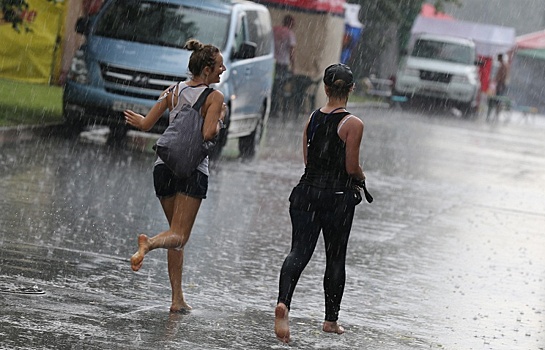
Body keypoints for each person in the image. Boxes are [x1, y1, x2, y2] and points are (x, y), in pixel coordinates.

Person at [124, 39, 226, 313]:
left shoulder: (172, 90)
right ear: (206, 70)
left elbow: (146, 123)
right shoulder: (215, 97)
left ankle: (177, 298)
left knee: (175, 233)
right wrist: (219, 119)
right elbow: (208, 134)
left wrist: (136, 119)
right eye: (219, 66)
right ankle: (149, 244)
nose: (223, 69)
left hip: (164, 165)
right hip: (192, 169)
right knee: (178, 237)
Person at [274, 63, 366, 343]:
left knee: (298, 252)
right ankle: (330, 320)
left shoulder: (312, 119)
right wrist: (361, 177)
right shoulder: (353, 124)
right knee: (335, 257)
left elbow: (308, 160)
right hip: (336, 199)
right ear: (351, 89)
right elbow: (351, 167)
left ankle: (284, 303)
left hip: (305, 194)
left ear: (325, 89)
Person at [272, 14, 296, 114]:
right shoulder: (290, 34)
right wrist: (293, 65)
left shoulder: (274, 30)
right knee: (280, 86)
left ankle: (272, 106)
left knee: (273, 85)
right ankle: (277, 108)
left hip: (273, 62)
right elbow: (292, 51)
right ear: (290, 23)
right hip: (283, 63)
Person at [487, 53, 510, 120]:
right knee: (497, 99)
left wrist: (496, 80)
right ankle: (495, 115)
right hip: (501, 84)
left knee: (497, 99)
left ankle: (495, 115)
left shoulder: (503, 66)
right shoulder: (504, 65)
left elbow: (501, 76)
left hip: (501, 85)